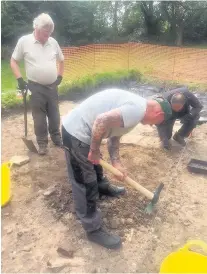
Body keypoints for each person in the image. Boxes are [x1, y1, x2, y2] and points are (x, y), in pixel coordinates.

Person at [61, 88, 172, 249]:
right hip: (76, 133)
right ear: (159, 115)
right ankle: (93, 229)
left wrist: (116, 162)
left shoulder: (137, 109)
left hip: (85, 132)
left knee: (95, 164)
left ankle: (102, 187)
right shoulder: (136, 110)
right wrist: (93, 149)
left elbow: (114, 134)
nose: (150, 126)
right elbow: (100, 121)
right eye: (155, 124)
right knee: (85, 181)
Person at [10, 13, 64, 155]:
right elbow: (13, 61)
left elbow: (61, 60)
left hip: (52, 86)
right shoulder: (24, 41)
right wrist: (19, 79)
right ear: (37, 28)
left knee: (54, 114)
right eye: (45, 33)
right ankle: (42, 143)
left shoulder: (53, 42)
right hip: (35, 87)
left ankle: (56, 137)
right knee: (39, 117)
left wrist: (60, 76)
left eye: (50, 33)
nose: (48, 36)